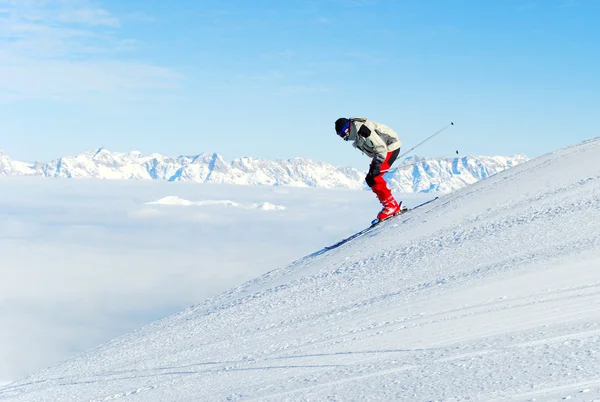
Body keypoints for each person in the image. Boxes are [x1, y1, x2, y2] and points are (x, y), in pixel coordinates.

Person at [335, 117, 403, 222]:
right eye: (340, 135)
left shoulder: (363, 130)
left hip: (389, 147)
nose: (343, 137)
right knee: (370, 179)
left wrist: (377, 165)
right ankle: (389, 204)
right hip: (381, 151)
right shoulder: (356, 132)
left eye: (342, 133)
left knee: (375, 176)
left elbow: (381, 148)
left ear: (347, 128)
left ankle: (391, 206)